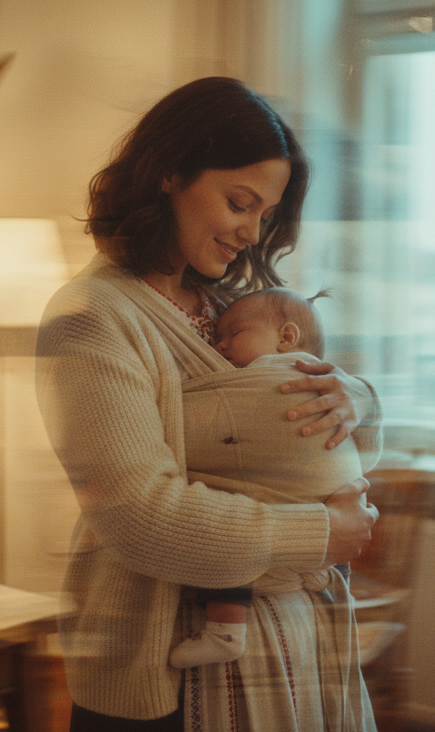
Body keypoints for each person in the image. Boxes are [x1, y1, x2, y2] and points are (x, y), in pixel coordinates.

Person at [36, 76, 382, 731]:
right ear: (170, 174)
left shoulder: (232, 309)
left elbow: (309, 400)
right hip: (160, 667)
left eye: (265, 214)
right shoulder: (92, 318)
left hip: (286, 651)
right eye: (239, 202)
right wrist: (320, 532)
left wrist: (355, 397)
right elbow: (141, 516)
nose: (252, 233)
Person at [170, 287, 377, 669]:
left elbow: (183, 424)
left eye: (234, 334)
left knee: (226, 521)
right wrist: (367, 398)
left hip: (305, 509)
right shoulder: (330, 382)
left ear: (286, 338)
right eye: (218, 337)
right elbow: (368, 451)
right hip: (334, 509)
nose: (221, 344)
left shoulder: (270, 378)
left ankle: (225, 629)